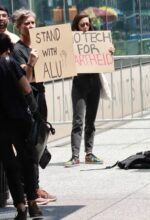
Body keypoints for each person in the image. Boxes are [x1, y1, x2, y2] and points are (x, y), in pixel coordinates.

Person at [12, 8, 56, 205]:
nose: (30, 26)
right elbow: (25, 81)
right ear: (19, 27)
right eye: (26, 23)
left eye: (32, 23)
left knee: (38, 142)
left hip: (41, 96)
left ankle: (34, 186)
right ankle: (29, 190)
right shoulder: (18, 50)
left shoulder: (42, 45)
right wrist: (30, 63)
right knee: (30, 145)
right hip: (28, 100)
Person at [0, 32, 42, 219]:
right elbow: (26, 88)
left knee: (9, 164)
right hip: (20, 119)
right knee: (27, 160)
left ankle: (20, 208)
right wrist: (36, 113)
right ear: (7, 48)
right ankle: (33, 203)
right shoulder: (11, 64)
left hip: (1, 123)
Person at [65, 13, 114, 167]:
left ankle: (89, 153)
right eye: (82, 25)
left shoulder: (96, 40)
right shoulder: (72, 42)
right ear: (76, 27)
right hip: (80, 83)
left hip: (94, 83)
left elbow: (105, 58)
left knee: (90, 120)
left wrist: (110, 51)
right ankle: (74, 155)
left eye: (87, 24)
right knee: (78, 120)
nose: (86, 28)